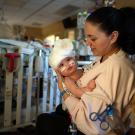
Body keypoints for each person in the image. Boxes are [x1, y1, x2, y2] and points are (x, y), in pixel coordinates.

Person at [60, 7, 135, 135]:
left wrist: (63, 90)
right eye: (87, 37)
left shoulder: (116, 66)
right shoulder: (104, 58)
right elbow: (86, 74)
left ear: (113, 37)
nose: (88, 43)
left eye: (93, 39)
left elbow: (93, 124)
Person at [36, 38, 96, 135]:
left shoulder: (84, 70)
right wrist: (88, 88)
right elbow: (77, 92)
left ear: (74, 57)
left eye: (68, 59)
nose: (67, 64)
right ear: (59, 71)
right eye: (62, 65)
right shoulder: (68, 80)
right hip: (69, 110)